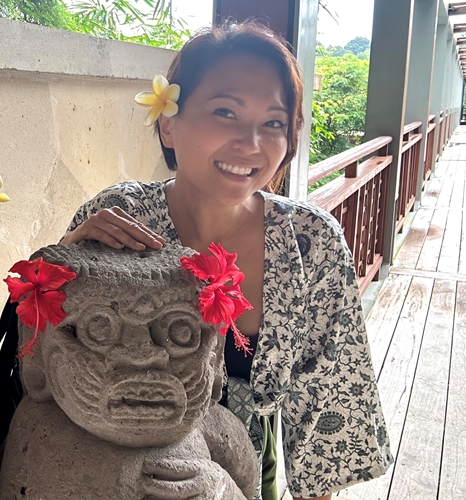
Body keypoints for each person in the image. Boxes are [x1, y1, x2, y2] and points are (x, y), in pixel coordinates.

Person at [60, 21, 393, 500]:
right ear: (169, 123)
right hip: (109, 471)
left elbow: (328, 412)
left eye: (273, 123)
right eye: (225, 112)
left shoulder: (309, 242)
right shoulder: (120, 218)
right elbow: (49, 355)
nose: (251, 143)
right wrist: (63, 266)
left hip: (244, 474)